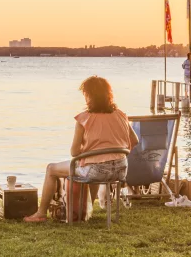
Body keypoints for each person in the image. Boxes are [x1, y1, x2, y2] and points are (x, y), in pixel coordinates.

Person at [24, 76, 138, 222]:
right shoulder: (121, 115)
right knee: (94, 166)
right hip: (120, 170)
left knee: (51, 169)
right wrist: (115, 154)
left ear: (89, 96)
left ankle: (40, 214)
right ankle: (86, 213)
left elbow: (74, 152)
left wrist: (91, 151)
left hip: (96, 171)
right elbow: (135, 141)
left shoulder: (84, 119)